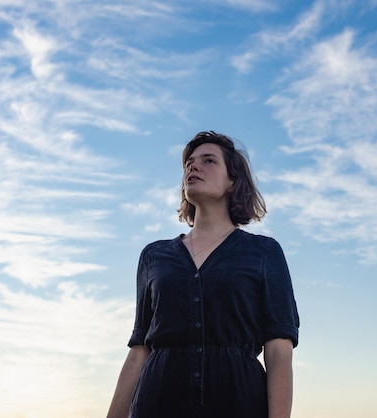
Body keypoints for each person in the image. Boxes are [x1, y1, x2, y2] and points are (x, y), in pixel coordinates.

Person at [107, 131, 300, 418]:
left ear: (233, 182)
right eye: (189, 164)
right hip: (157, 403)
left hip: (239, 403)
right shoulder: (154, 255)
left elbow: (279, 351)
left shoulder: (264, 253)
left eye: (208, 161)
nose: (193, 167)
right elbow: (139, 351)